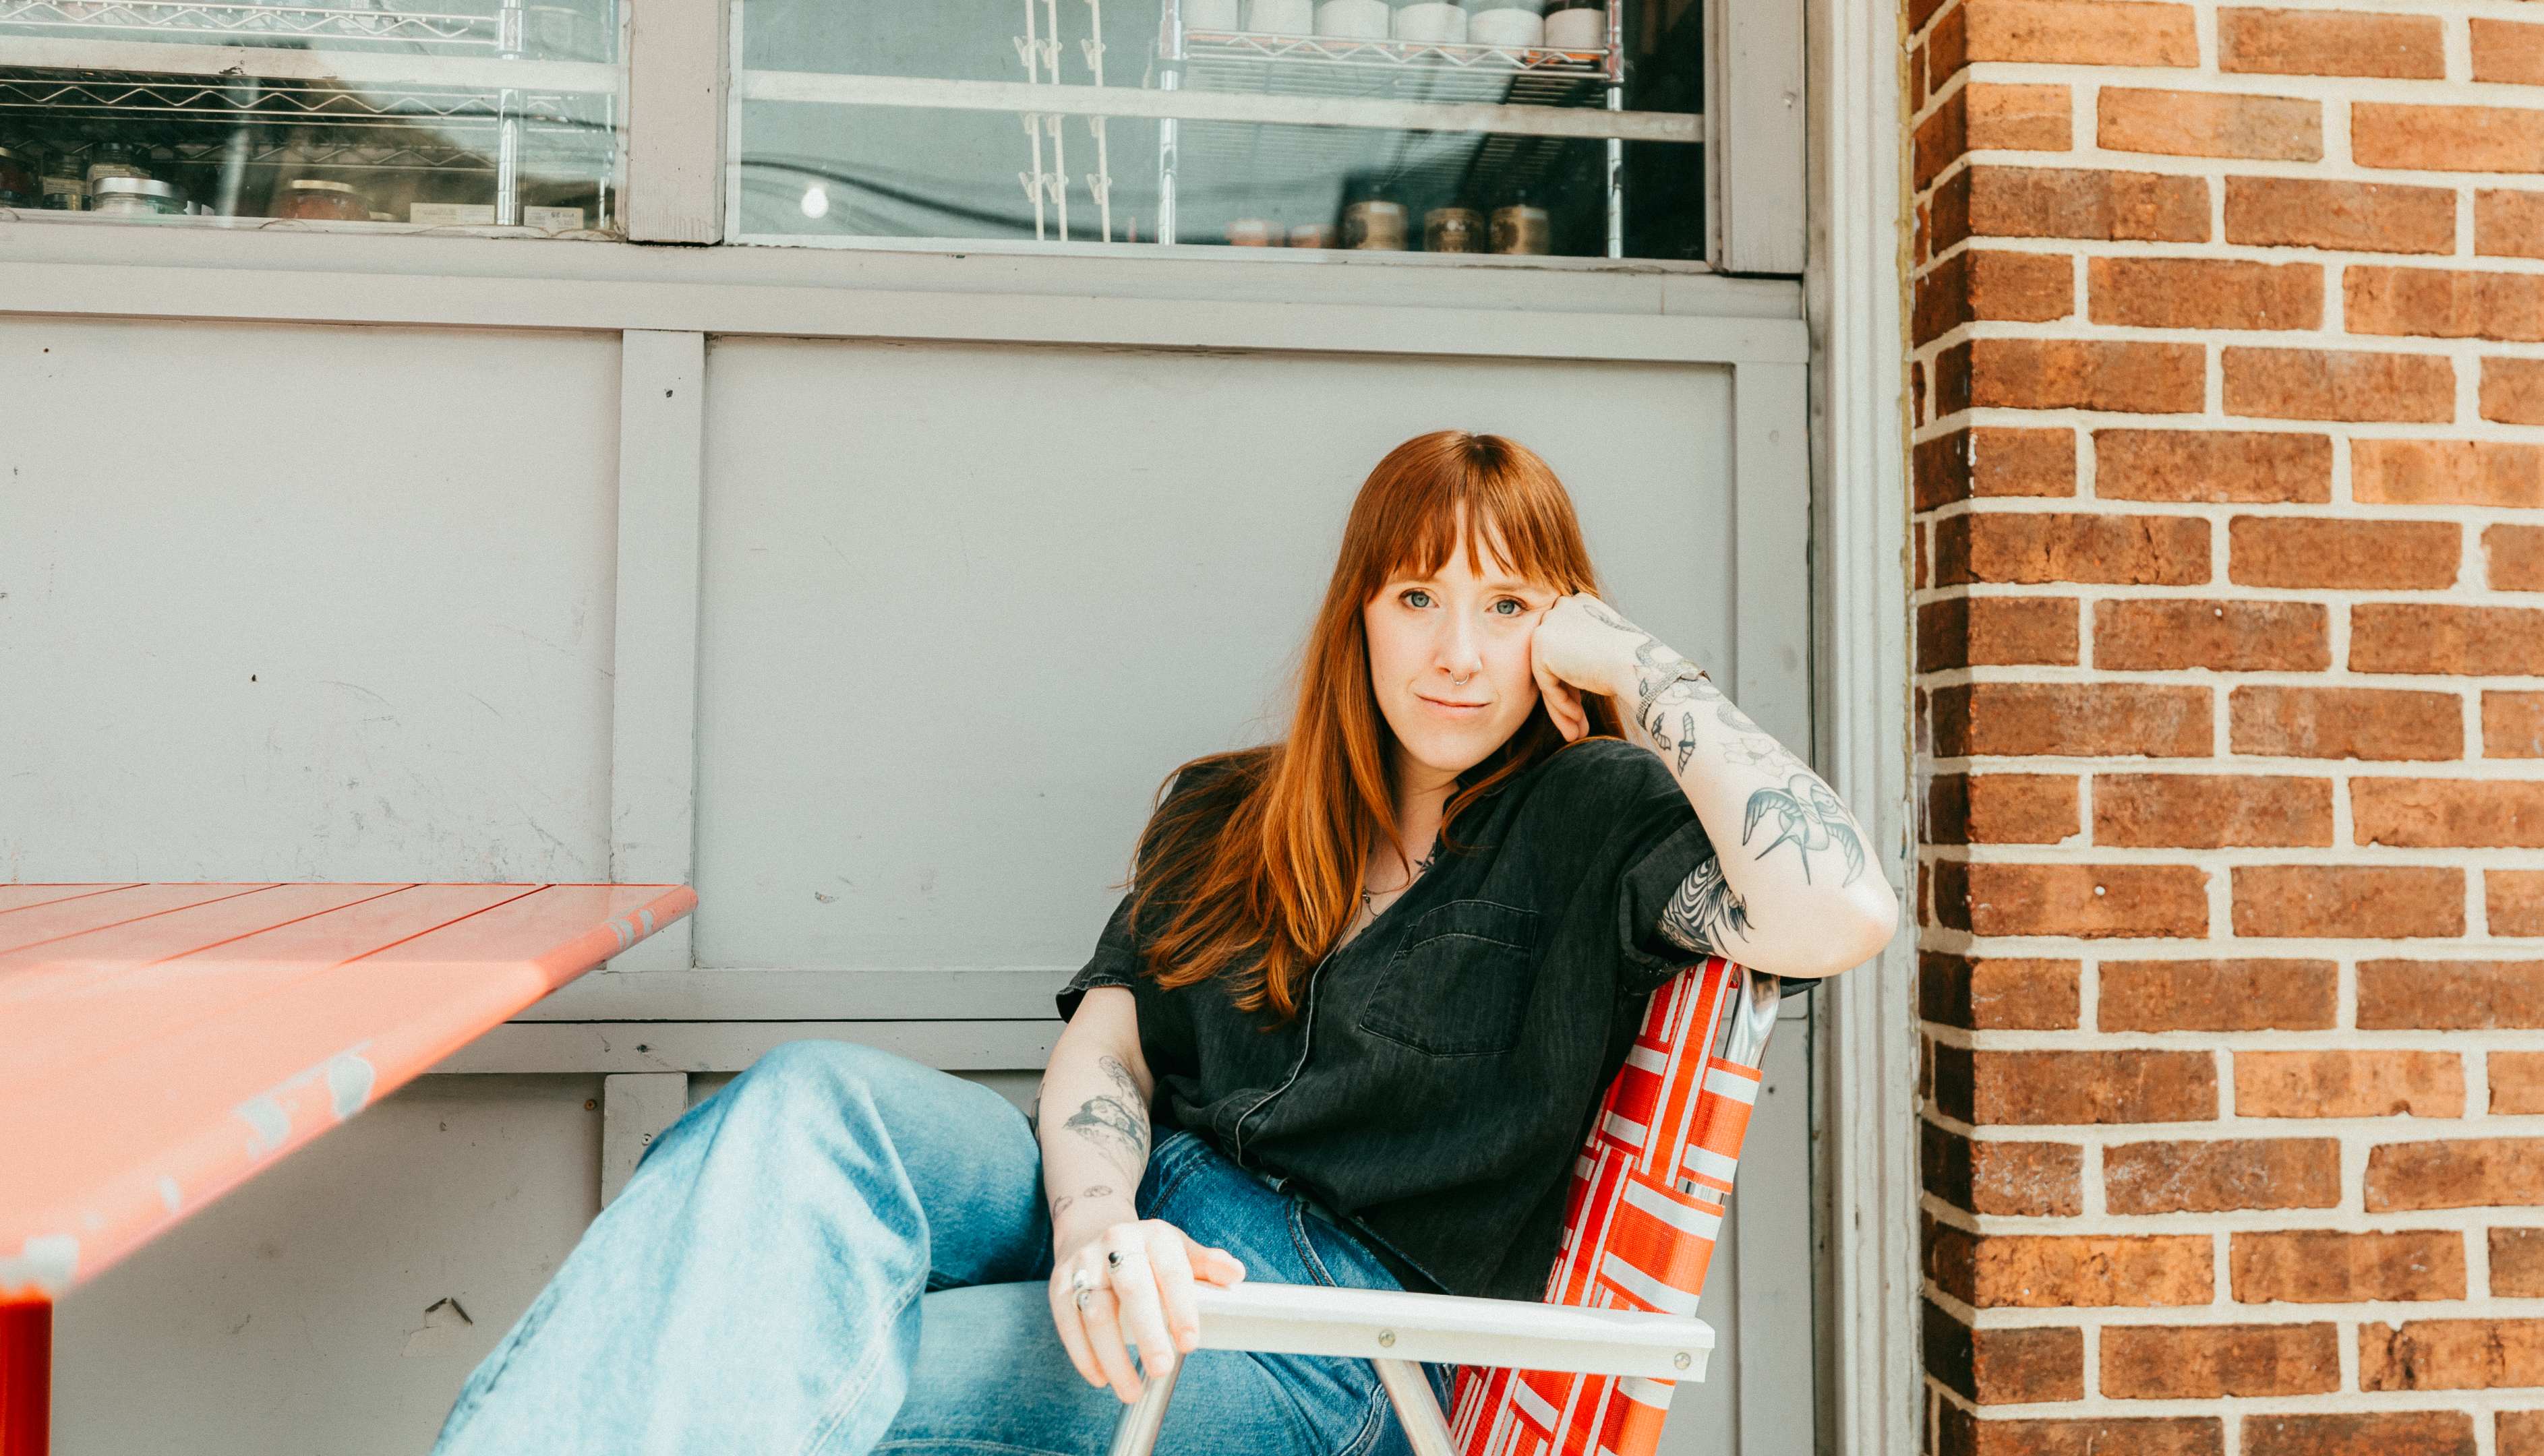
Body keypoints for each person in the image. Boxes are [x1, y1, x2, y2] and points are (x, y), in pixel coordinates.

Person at [427, 430, 1898, 1456]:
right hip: (1121, 1205)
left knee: (777, 1350)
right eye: (1419, 599)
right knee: (799, 1109)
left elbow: (1841, 914)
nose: (1461, 651)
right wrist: (1095, 1227)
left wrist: (1641, 669)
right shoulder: (1230, 809)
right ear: (1360, 618)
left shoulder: (1594, 824)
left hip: (1332, 1345)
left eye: (1509, 606)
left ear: (1558, 625)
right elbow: (1116, 1040)